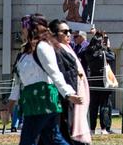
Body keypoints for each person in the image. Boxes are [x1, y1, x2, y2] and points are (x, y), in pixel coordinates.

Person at [7, 14, 83, 145]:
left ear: (33, 28)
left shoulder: (42, 47)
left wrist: (68, 93)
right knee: (53, 139)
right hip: (31, 101)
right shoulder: (25, 51)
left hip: (43, 100)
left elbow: (55, 72)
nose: (22, 30)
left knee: (28, 140)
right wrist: (10, 104)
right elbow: (19, 81)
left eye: (24, 26)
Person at [49, 19, 92, 145]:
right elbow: (62, 75)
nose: (69, 34)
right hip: (66, 98)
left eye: (70, 31)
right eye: (64, 32)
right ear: (54, 33)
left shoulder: (67, 48)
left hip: (75, 95)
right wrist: (70, 94)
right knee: (67, 132)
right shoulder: (56, 50)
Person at [81, 33, 115, 134]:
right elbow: (112, 57)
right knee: (104, 105)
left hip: (92, 80)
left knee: (93, 106)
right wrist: (108, 47)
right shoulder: (103, 53)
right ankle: (104, 128)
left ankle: (92, 129)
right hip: (103, 81)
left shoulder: (88, 53)